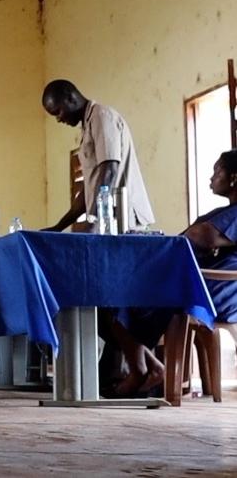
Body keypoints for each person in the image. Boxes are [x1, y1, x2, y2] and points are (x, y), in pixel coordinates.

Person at [109, 150, 237, 396]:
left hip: (214, 290)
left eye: (217, 171)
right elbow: (196, 236)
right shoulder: (225, 212)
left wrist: (202, 239)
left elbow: (201, 235)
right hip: (202, 283)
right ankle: (150, 368)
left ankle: (141, 372)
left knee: (123, 297)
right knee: (117, 297)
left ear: (234, 178)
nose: (212, 177)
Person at [41, 80, 154, 232]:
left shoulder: (101, 117)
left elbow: (110, 170)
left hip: (125, 222)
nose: (58, 119)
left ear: (71, 98)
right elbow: (88, 191)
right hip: (109, 222)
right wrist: (58, 228)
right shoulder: (88, 125)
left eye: (58, 112)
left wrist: (94, 220)